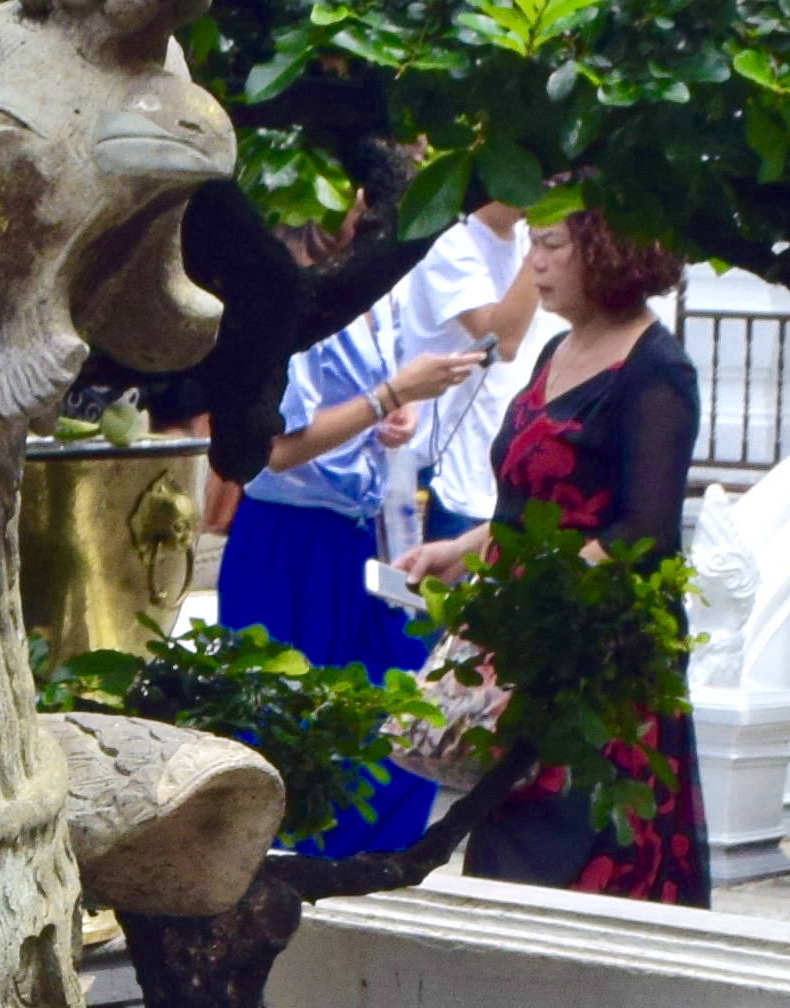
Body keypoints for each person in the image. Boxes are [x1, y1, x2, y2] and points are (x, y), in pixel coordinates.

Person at [213, 199, 531, 852]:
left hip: (357, 534)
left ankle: (350, 870)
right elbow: (276, 452)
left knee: (392, 712)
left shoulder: (362, 301)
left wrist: (393, 416)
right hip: (289, 540)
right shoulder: (286, 310)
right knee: (292, 725)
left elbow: (364, 409)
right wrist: (388, 397)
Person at [439, 210, 706, 905]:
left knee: (579, 852)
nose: (536, 263)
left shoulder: (657, 369)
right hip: (529, 637)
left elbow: (644, 533)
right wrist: (466, 549)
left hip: (602, 658)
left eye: (553, 245)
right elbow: (534, 502)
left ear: (605, 251)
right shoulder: (555, 347)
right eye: (533, 245)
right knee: (504, 845)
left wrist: (531, 602)